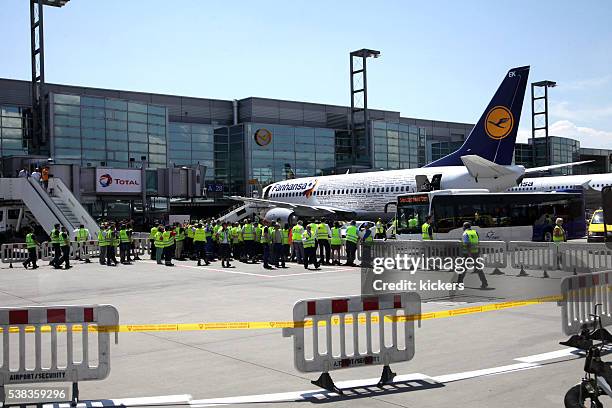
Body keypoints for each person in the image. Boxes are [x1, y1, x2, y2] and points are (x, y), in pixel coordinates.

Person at [458, 222, 488, 289]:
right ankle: (484, 282)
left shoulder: (465, 233)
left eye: (463, 226)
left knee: (463, 268)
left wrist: (470, 255)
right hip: (476, 252)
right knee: (478, 268)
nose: (462, 228)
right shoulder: (475, 232)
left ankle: (459, 282)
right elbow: (478, 242)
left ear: (464, 227)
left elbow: (467, 245)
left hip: (468, 254)